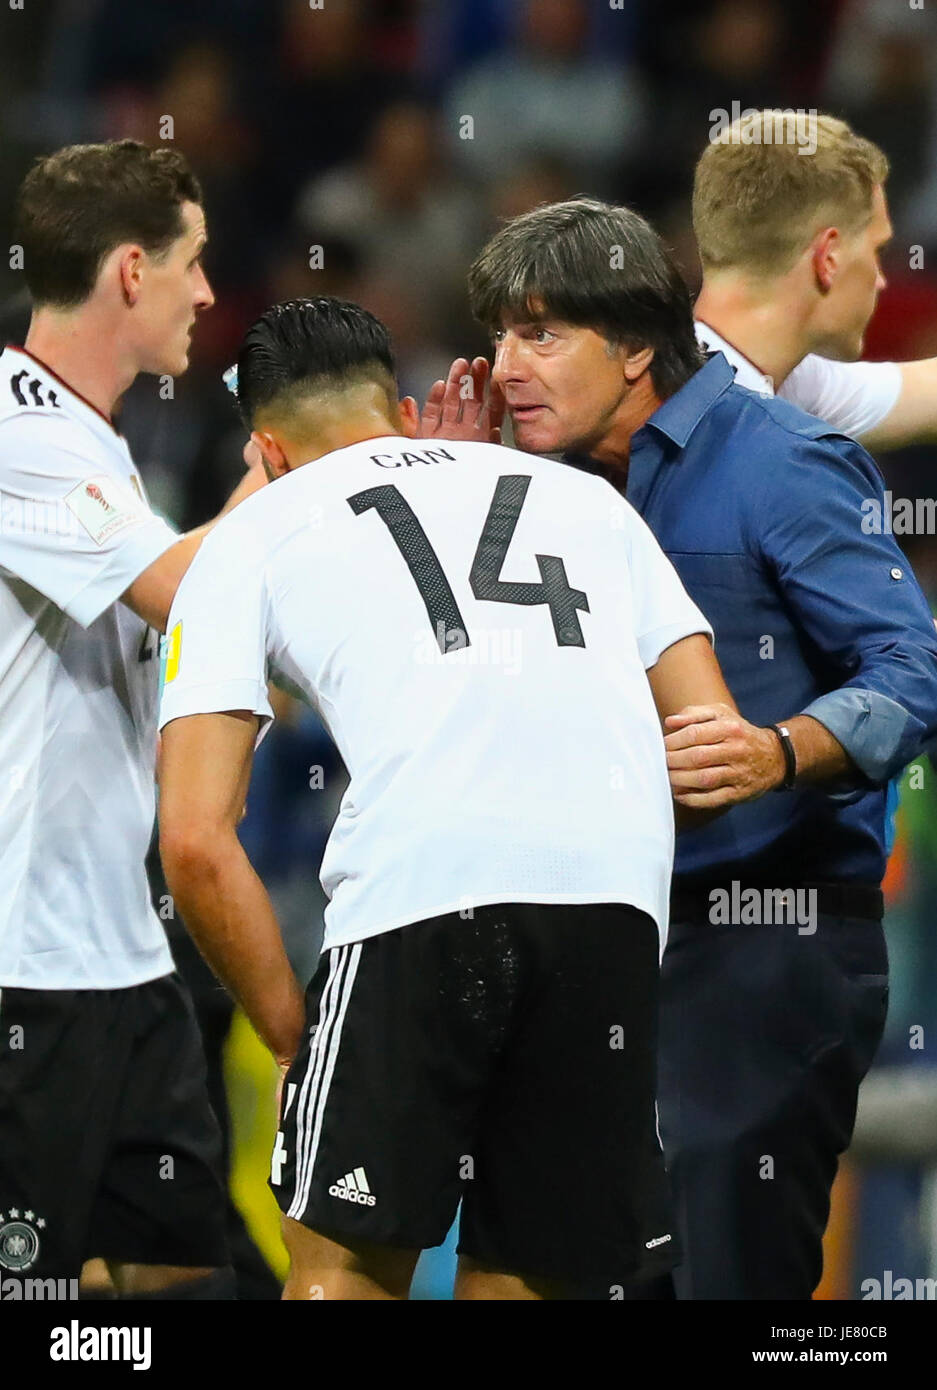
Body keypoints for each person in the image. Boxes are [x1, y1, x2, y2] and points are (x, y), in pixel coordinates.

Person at [155, 295, 734, 1301]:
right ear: (406, 413)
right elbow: (708, 745)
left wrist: (295, 1030)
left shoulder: (249, 536)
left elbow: (196, 840)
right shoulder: (589, 502)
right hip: (610, 903)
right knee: (533, 1268)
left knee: (343, 1264)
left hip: (421, 898)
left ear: (269, 452)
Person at [459, 197, 937, 1298]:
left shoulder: (780, 459)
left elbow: (912, 667)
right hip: (596, 940)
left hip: (761, 942)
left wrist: (780, 750)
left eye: (538, 334)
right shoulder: (538, 481)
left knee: (722, 1276)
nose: (504, 366)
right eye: (497, 336)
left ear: (634, 347)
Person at [0, 140, 265, 1297]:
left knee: (169, 1270)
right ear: (127, 272)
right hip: (28, 958)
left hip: (123, 952)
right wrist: (312, 469)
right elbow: (179, 588)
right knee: (43, 1292)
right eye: (192, 263)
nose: (208, 292)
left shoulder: (86, 436)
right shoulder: (18, 431)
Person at [692, 109, 937, 451]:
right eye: (876, 251)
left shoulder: (788, 382)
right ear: (829, 258)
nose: (881, 280)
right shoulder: (697, 416)